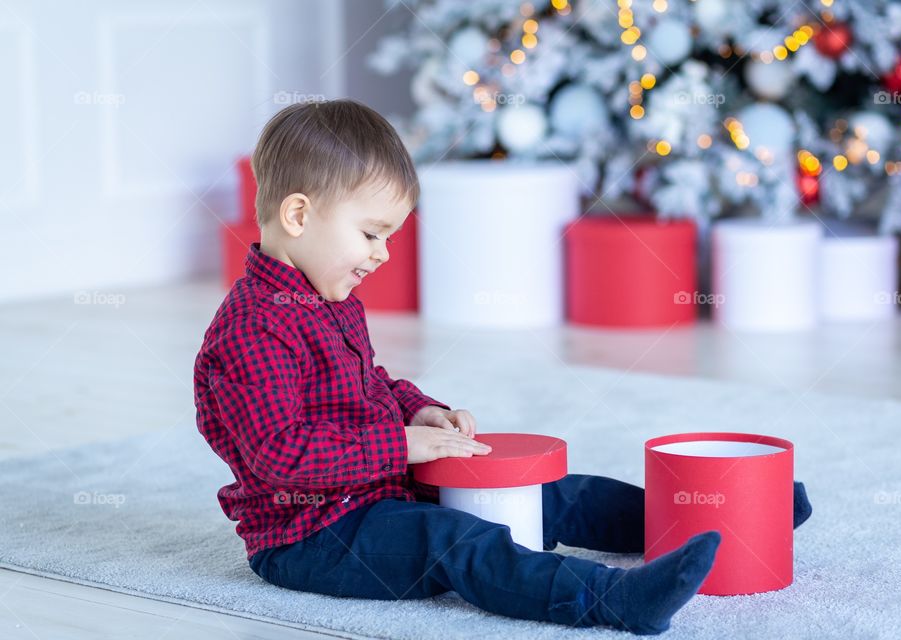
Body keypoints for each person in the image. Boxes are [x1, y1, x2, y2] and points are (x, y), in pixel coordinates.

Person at [193, 99, 812, 635]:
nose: (382, 254)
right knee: (457, 541)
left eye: (389, 237)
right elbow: (281, 456)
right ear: (299, 216)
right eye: (372, 234)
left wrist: (418, 410)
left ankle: (719, 517)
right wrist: (400, 446)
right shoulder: (253, 328)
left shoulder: (326, 299)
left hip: (382, 485)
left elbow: (369, 384)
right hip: (313, 534)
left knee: (544, 492)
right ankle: (613, 600)